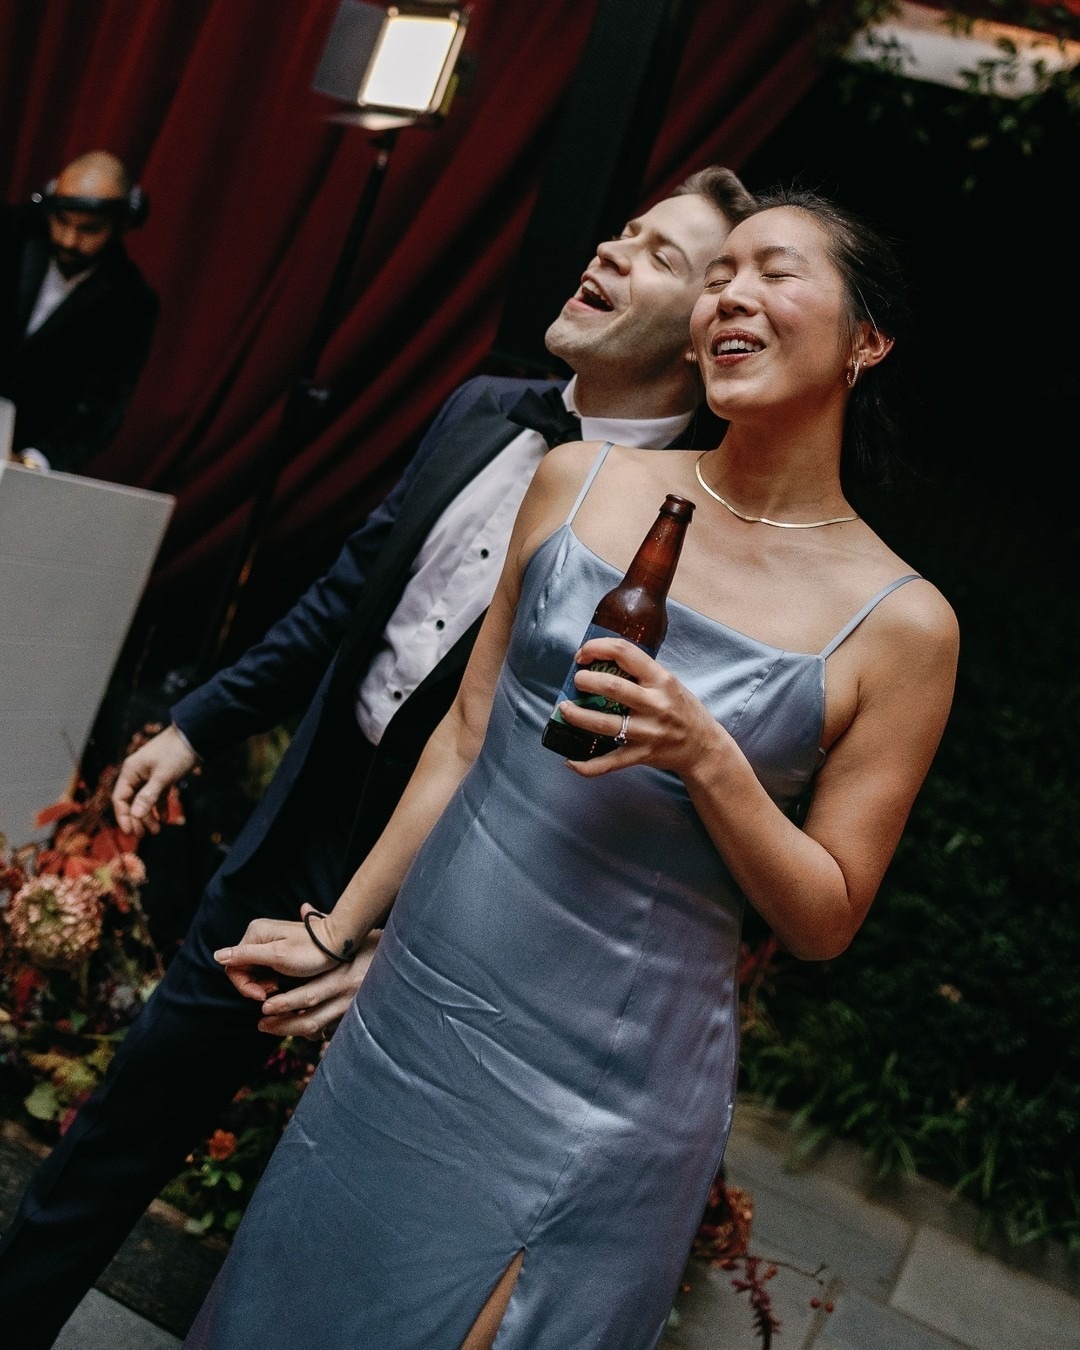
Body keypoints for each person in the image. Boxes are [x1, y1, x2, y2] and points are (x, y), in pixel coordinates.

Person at [182, 188, 959, 1349]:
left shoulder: (901, 626)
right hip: (421, 1014)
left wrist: (709, 757)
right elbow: (464, 736)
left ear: (868, 339)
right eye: (720, 276)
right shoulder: (582, 481)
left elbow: (826, 918)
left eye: (777, 272)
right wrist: (341, 932)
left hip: (605, 1088)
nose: (731, 295)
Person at [0, 164, 756, 1349]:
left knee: (343, 1236)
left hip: (460, 912)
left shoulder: (688, 531)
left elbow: (607, 794)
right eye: (621, 229)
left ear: (712, 329)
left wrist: (400, 931)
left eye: (660, 253)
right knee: (116, 1135)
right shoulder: (479, 410)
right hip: (297, 839)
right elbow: (347, 599)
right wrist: (199, 722)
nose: (610, 251)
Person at [0, 150, 158, 473]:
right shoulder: (8, 234)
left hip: (22, 464)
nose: (69, 240)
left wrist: (32, 461)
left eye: (89, 229)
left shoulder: (133, 303)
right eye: (61, 221)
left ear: (122, 225)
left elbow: (102, 411)